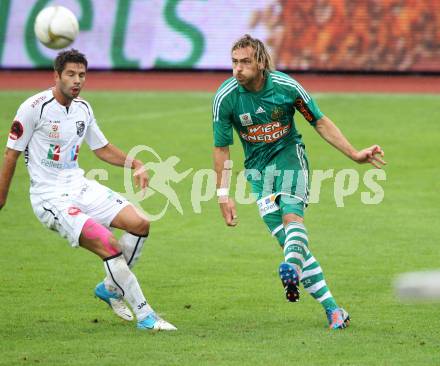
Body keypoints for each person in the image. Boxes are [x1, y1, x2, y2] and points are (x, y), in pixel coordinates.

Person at [212, 35, 386, 329]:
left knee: (293, 221)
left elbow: (318, 120)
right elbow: (221, 148)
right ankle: (332, 309)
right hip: (258, 173)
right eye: (234, 62)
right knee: (291, 241)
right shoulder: (225, 98)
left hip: (290, 157)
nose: (237, 69)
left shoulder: (285, 87)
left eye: (244, 63)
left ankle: (291, 267)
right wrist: (222, 194)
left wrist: (355, 154)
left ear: (261, 63)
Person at [0, 49, 176, 331]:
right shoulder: (34, 108)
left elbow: (101, 149)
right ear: (56, 75)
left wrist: (136, 164)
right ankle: (146, 316)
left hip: (80, 185)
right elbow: (11, 154)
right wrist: (1, 198)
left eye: (81, 75)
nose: (76, 80)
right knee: (109, 244)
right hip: (50, 197)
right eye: (70, 74)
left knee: (140, 223)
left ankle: (110, 288)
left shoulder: (83, 108)